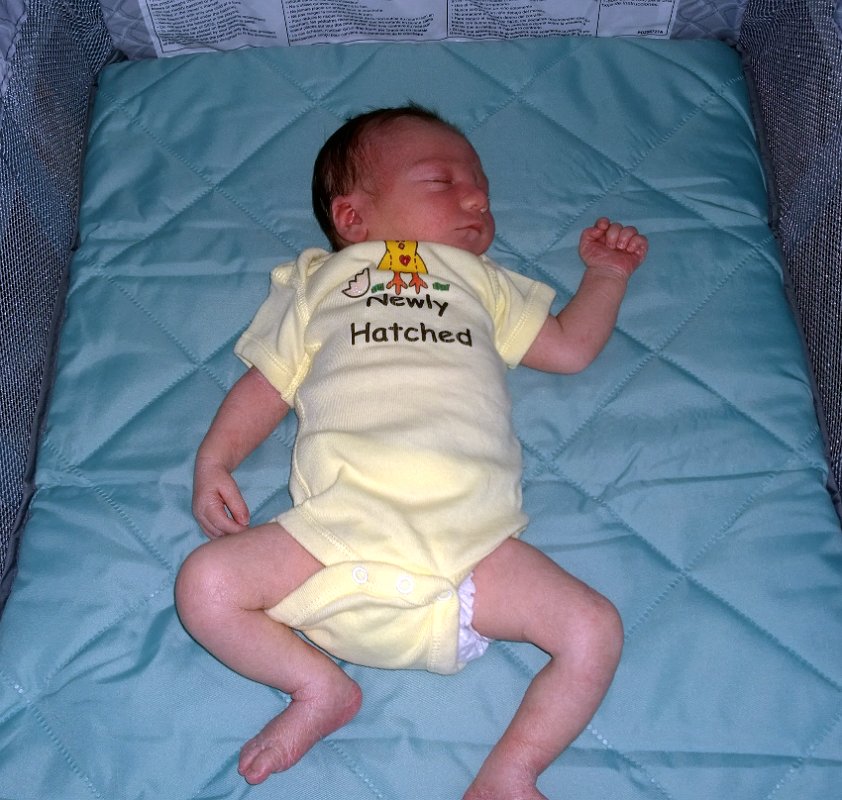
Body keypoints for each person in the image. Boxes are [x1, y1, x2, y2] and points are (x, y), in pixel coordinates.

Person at [175, 105, 648, 800]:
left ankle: (511, 772)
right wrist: (214, 461)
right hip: (337, 530)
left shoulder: (483, 283)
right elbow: (267, 384)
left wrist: (606, 276)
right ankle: (318, 687)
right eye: (442, 181)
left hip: (470, 542)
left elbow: (569, 348)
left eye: (481, 187)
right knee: (205, 585)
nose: (476, 198)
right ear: (353, 217)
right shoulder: (317, 284)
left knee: (594, 628)